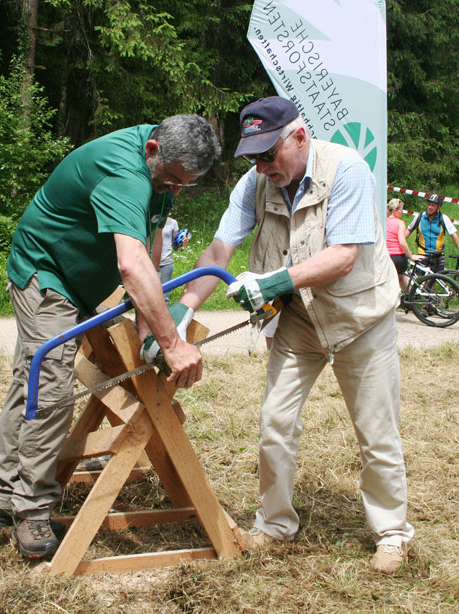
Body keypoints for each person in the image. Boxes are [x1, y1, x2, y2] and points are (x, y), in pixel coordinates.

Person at [157, 96, 414, 575]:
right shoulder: (255, 183)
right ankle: (275, 526)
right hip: (298, 320)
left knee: (376, 431)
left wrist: (273, 282)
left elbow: (343, 257)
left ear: (299, 137)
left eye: (268, 154)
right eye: (252, 157)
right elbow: (219, 248)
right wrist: (184, 307)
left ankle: (392, 533)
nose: (261, 166)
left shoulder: (348, 170)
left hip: (360, 317)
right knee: (275, 422)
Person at [0, 114, 221, 559]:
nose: (173, 191)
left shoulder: (159, 170)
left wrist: (148, 325)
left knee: (30, 381)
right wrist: (172, 344)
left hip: (78, 278)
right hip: (46, 272)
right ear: (153, 149)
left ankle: (3, 493)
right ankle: (31, 511)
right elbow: (130, 265)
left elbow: (148, 246)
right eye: (170, 180)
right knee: (49, 384)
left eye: (182, 186)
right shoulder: (124, 171)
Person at [405, 193, 459, 271]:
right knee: (422, 282)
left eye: (433, 205)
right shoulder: (419, 217)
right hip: (423, 254)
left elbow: (455, 237)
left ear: (438, 207)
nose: (430, 207)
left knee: (434, 280)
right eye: (429, 204)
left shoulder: (443, 218)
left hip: (438, 256)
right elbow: (405, 234)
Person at [157, 215, 190, 306]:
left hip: (166, 263)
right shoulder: (152, 220)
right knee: (149, 295)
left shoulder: (173, 223)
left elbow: (176, 244)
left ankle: (164, 320)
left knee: (164, 296)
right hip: (151, 263)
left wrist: (183, 243)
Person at [386, 198, 416, 293]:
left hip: (386, 256)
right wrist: (411, 256)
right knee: (401, 277)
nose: (402, 213)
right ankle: (410, 298)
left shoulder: (383, 221)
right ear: (395, 211)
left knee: (388, 280)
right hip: (398, 258)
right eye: (401, 210)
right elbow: (402, 241)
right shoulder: (400, 223)